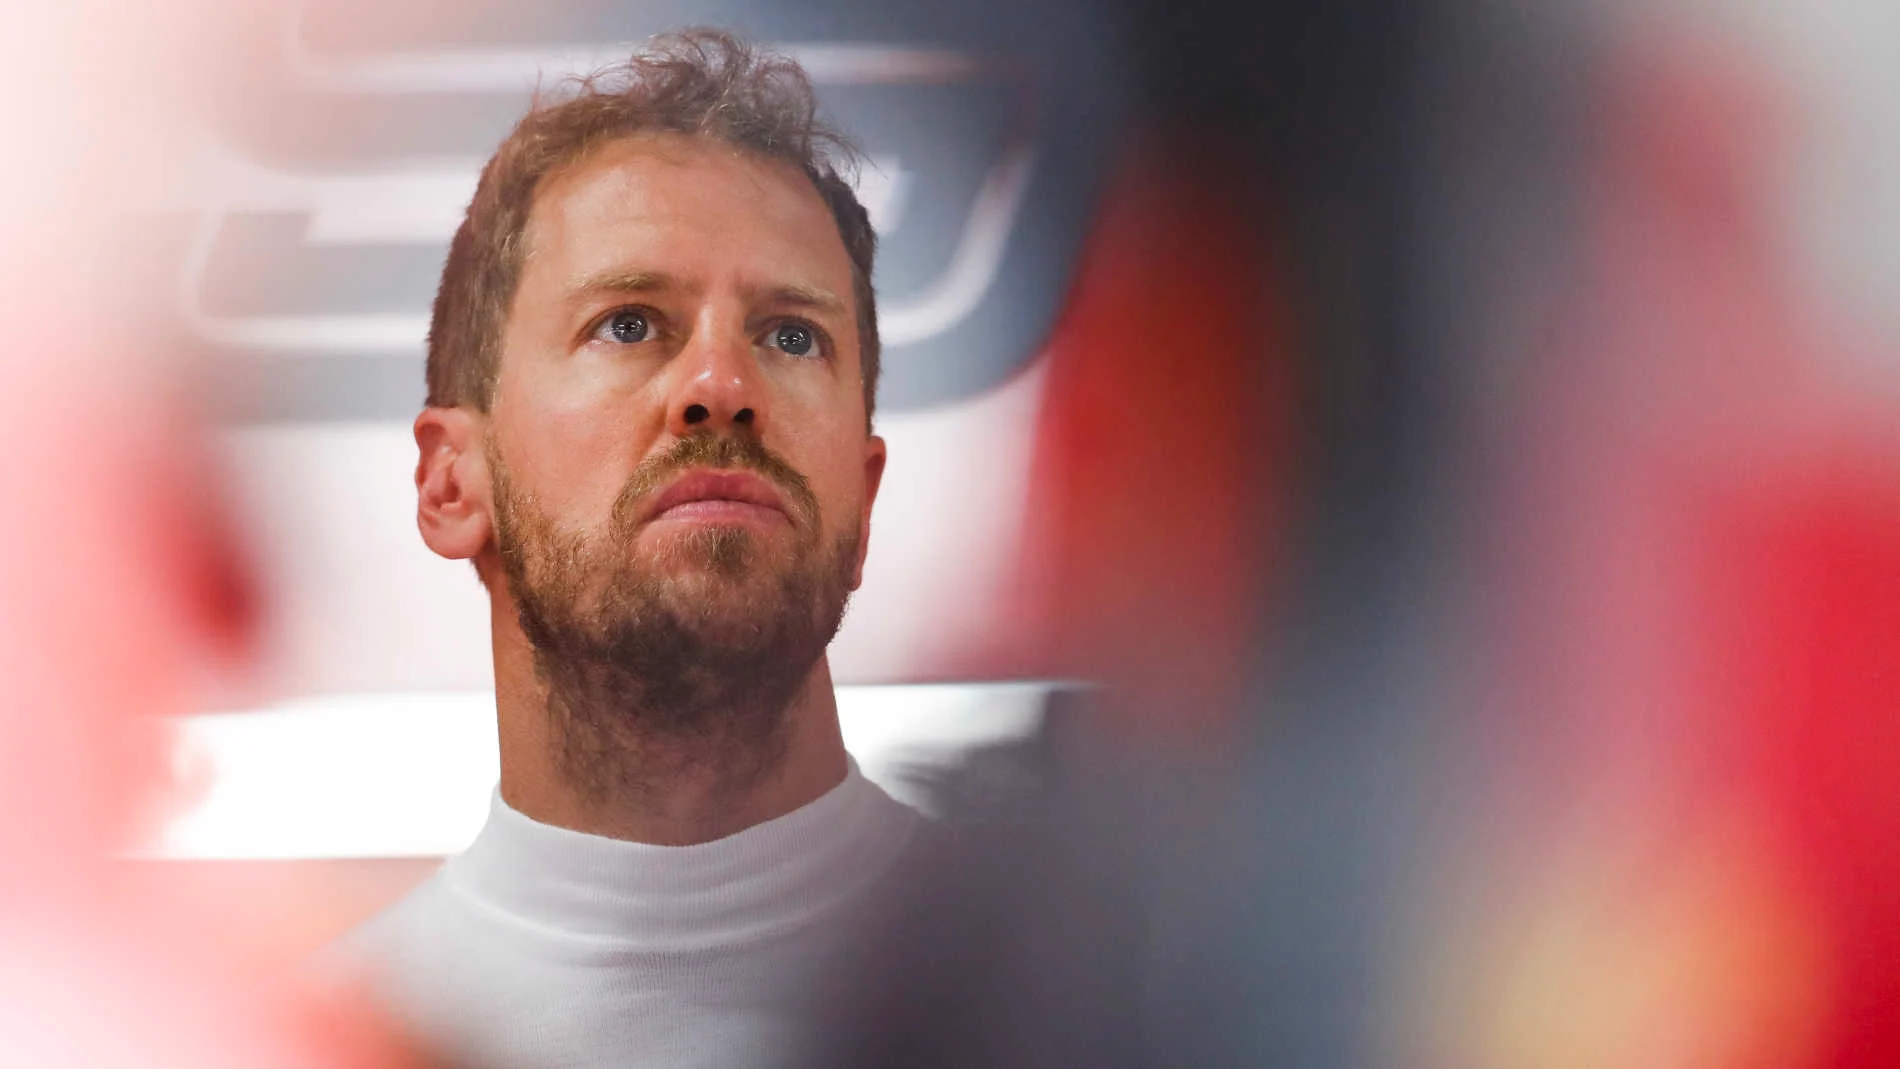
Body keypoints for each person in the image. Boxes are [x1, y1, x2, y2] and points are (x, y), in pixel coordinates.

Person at [345, 29, 919, 1069]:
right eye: (628, 323)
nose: (720, 386)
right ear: (450, 482)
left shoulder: (1129, 1015)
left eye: (791, 335)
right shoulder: (285, 1043)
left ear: (864, 500)